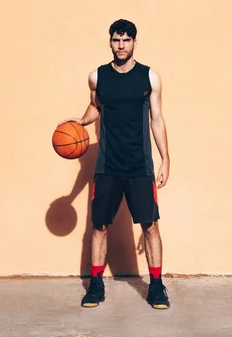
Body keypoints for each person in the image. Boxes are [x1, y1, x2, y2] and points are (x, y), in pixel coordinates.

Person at [59, 19, 171, 310]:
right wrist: (81, 122)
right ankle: (96, 285)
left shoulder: (150, 78)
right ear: (110, 42)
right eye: (116, 40)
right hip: (107, 166)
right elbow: (95, 106)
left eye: (126, 40)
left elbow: (156, 119)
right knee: (99, 226)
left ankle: (156, 286)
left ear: (134, 42)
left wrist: (165, 159)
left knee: (150, 226)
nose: (121, 45)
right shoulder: (98, 77)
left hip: (140, 166)